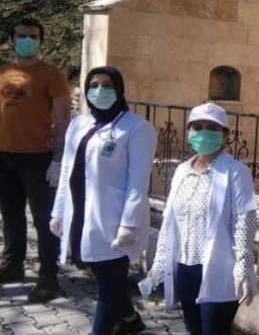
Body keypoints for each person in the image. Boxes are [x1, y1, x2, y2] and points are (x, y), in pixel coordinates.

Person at [49, 66, 156, 335]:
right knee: (103, 273)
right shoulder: (79, 123)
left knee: (109, 280)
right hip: (80, 211)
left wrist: (129, 223)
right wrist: (59, 211)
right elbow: (67, 170)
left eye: (107, 85)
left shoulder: (137, 128)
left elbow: (138, 180)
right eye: (94, 85)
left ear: (119, 89)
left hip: (113, 216)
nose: (100, 91)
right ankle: (131, 320)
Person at [147, 102, 259, 335]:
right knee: (194, 329)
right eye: (197, 127)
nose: (203, 133)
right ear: (189, 132)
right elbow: (170, 221)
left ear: (225, 135)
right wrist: (159, 263)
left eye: (212, 128)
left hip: (219, 269)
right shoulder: (182, 171)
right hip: (185, 268)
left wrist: (243, 267)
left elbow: (244, 222)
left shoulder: (235, 171)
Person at [0, 18, 71, 302]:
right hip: (4, 156)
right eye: (22, 36)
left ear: (41, 41)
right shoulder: (3, 71)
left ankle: (48, 275)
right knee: (10, 213)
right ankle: (12, 264)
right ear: (11, 40)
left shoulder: (51, 74)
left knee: (43, 218)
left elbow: (63, 119)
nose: (27, 41)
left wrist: (58, 159)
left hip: (38, 158)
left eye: (33, 37)